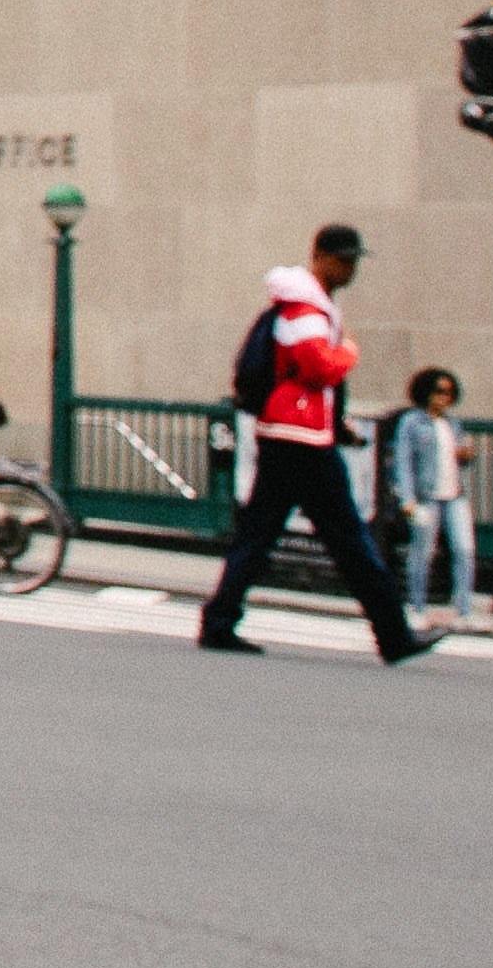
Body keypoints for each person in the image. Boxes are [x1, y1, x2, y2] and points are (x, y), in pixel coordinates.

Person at [200, 222, 427, 664]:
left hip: (290, 434)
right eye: (344, 259)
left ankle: (220, 621)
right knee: (349, 540)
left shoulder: (303, 306)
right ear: (320, 256)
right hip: (300, 440)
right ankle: (393, 636)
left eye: (354, 260)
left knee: (261, 535)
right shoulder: (306, 310)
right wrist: (350, 352)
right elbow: (319, 368)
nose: (350, 268)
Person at [388, 363, 477, 631]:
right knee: (422, 553)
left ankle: (464, 609)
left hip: (454, 496)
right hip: (427, 497)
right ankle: (417, 607)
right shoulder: (412, 423)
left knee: (464, 550)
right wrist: (408, 499)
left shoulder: (453, 424)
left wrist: (464, 457)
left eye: (449, 392)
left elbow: (457, 459)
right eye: (439, 391)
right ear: (425, 392)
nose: (444, 397)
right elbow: (402, 462)